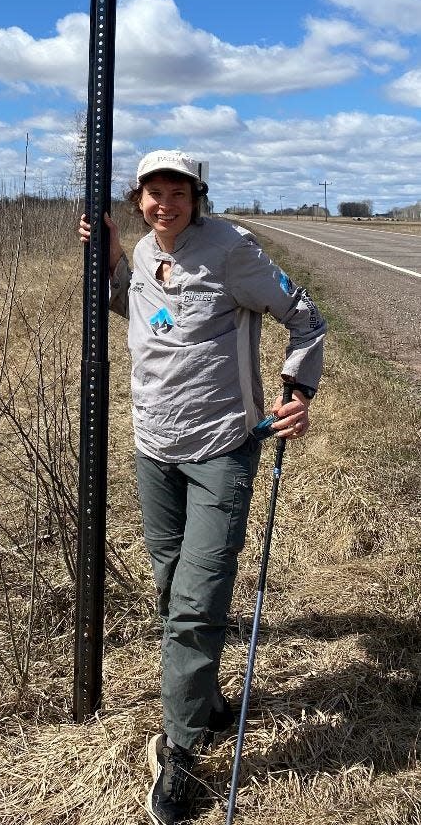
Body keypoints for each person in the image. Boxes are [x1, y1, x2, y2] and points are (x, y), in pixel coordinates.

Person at [78, 149, 325, 825]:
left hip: (222, 447)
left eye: (177, 191)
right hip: (153, 449)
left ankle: (181, 750)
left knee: (196, 596)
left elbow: (304, 315)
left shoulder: (231, 250)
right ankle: (206, 699)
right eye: (153, 193)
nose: (166, 203)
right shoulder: (149, 254)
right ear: (137, 202)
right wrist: (106, 260)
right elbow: (148, 315)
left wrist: (297, 388)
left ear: (197, 194)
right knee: (170, 586)